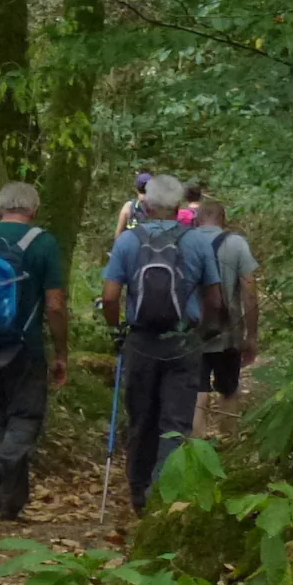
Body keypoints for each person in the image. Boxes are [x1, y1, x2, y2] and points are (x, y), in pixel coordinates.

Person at [101, 174, 225, 513]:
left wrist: (117, 330)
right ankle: (162, 492)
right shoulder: (197, 241)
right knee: (176, 421)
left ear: (147, 203)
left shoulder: (128, 242)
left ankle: (139, 490)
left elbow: (110, 297)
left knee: (141, 416)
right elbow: (214, 297)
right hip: (184, 340)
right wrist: (204, 329)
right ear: (179, 206)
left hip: (140, 340)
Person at [0, 180, 69, 519]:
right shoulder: (43, 243)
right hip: (24, 342)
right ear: (33, 209)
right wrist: (61, 350)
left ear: (2, 206)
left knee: (2, 414)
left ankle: (9, 502)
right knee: (27, 415)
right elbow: (55, 304)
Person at [192, 199, 260, 438]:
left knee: (197, 390)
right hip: (228, 332)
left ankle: (195, 450)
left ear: (197, 219)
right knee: (229, 389)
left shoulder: (184, 242)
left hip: (192, 332)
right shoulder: (236, 244)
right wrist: (251, 336)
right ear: (224, 219)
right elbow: (250, 293)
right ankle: (228, 444)